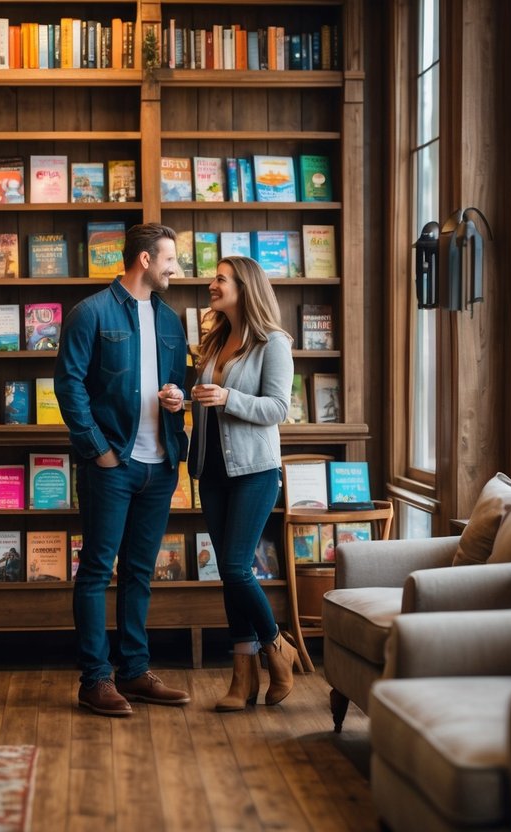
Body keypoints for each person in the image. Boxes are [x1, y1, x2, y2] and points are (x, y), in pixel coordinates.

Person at [54, 223, 191, 717]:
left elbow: (181, 383)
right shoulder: (90, 313)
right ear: (146, 261)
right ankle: (95, 680)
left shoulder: (173, 322)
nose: (176, 267)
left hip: (161, 467)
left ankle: (134, 672)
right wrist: (99, 451)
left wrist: (178, 397)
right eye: (170, 258)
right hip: (112, 465)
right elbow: (68, 386)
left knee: (139, 573)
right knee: (95, 571)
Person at [188, 256, 298, 712]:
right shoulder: (215, 341)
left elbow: (278, 408)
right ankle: (242, 679)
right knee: (230, 577)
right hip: (211, 472)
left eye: (220, 278)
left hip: (254, 470)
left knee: (235, 567)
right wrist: (184, 399)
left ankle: (278, 646)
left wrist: (228, 397)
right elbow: (207, 404)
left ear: (244, 287)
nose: (211, 284)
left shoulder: (274, 342)